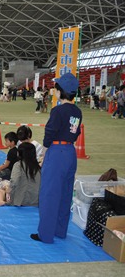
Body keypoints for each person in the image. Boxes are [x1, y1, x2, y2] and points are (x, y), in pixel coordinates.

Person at [31, 72, 82, 243]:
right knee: (65, 194)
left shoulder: (58, 111)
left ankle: (45, 234)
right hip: (70, 152)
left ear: (60, 91)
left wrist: (44, 153)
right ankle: (60, 231)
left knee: (49, 194)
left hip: (57, 152)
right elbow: (76, 132)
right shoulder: (77, 111)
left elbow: (50, 133)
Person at [0, 142, 41, 207]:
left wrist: (8, 189)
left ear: (19, 154)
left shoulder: (19, 165)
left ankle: (1, 201)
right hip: (36, 201)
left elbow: (14, 181)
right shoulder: (38, 167)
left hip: (20, 201)